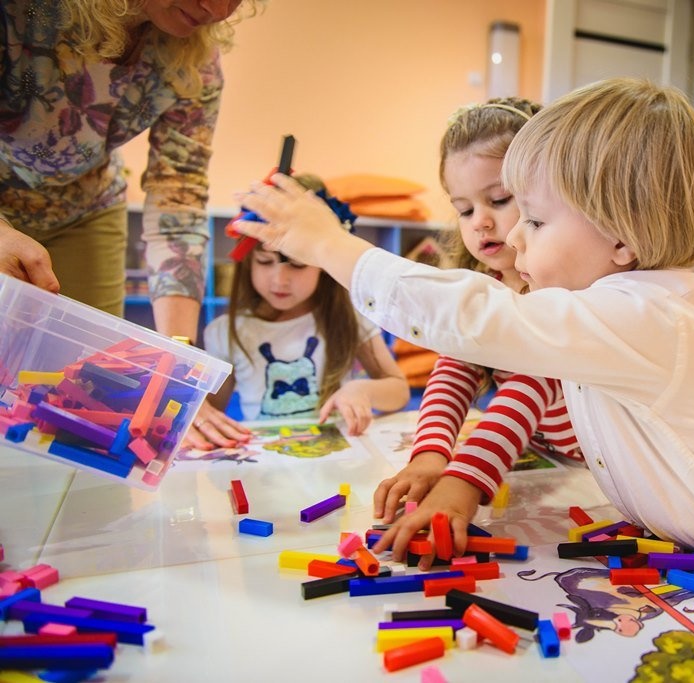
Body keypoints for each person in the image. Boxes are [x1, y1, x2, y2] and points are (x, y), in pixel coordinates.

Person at [233, 78, 694, 584]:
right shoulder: (609, 306)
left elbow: (477, 319)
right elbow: (471, 349)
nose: (508, 238)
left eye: (532, 219)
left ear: (621, 236)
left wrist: (329, 245)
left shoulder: (646, 315)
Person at [0, 0, 263, 446]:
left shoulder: (194, 60)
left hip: (87, 208)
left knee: (92, 396)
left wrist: (177, 366)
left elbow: (178, 194)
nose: (217, 8)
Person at [372, 99, 583, 531]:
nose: (480, 222)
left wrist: (462, 483)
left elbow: (533, 379)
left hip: (606, 474)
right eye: (465, 209)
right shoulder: (487, 285)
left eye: (499, 200)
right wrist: (431, 455)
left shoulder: (564, 289)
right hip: (556, 463)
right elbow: (454, 371)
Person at [200, 174, 410, 438]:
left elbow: (399, 390)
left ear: (323, 264)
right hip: (266, 470)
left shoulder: (350, 318)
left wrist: (362, 391)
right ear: (247, 262)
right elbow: (209, 413)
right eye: (264, 262)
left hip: (334, 466)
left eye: (298, 264)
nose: (279, 280)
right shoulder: (224, 332)